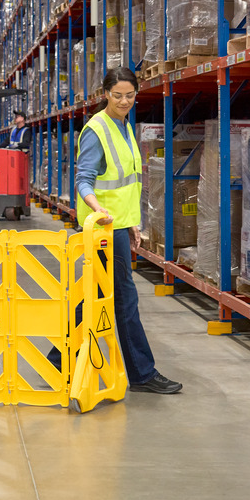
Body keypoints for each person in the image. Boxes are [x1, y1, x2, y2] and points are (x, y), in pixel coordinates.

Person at [70, 66, 182, 394]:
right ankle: (142, 373)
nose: (124, 101)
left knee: (95, 295)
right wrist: (98, 208)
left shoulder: (123, 125)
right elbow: (84, 179)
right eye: (117, 95)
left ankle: (59, 356)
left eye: (130, 95)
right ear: (105, 94)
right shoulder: (97, 129)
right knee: (124, 298)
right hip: (104, 228)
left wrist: (132, 222)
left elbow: (127, 183)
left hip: (118, 225)